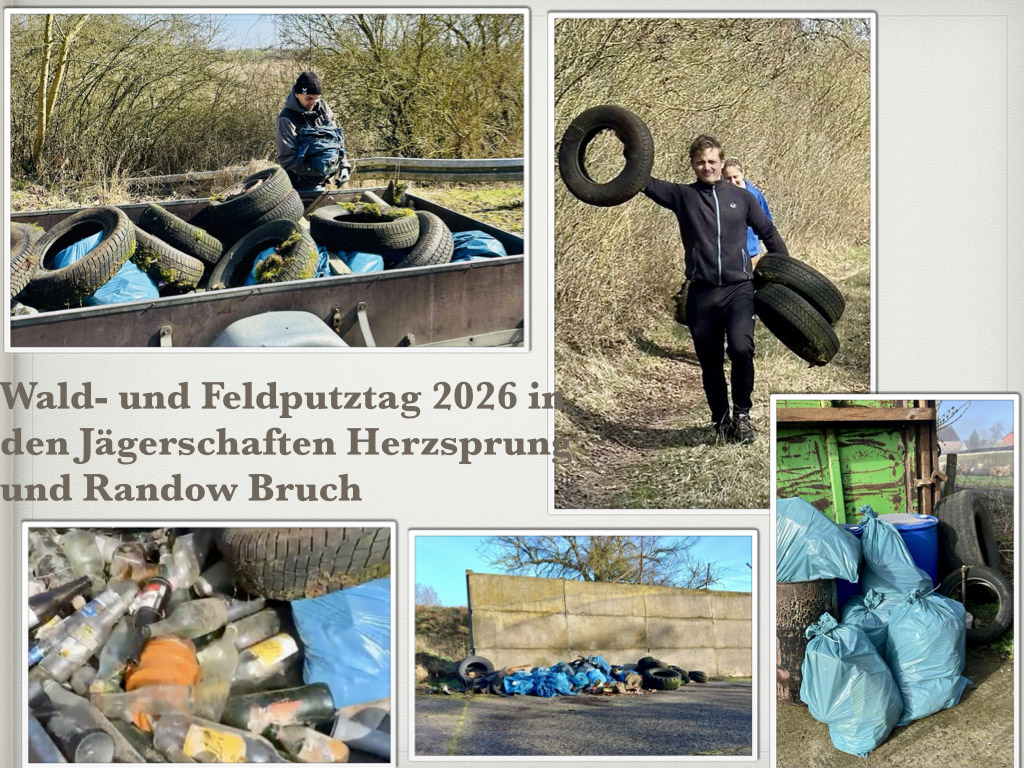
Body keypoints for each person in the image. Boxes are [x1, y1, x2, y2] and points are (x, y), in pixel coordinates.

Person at [642, 134, 789, 444]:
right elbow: (641, 180)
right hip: (701, 293)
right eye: (700, 162)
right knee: (710, 362)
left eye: (711, 161)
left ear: (722, 163)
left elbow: (769, 234)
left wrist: (786, 275)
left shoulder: (744, 198)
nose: (706, 166)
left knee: (741, 348)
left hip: (739, 289)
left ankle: (742, 415)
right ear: (693, 165)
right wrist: (629, 145)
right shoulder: (683, 196)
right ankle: (721, 421)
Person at [276, 71, 350, 191]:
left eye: (317, 98)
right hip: (299, 185)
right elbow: (287, 160)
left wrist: (344, 165)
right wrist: (317, 169)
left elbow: (337, 140)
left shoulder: (323, 109)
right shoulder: (286, 118)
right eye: (309, 98)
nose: (313, 102)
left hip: (322, 181)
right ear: (297, 94)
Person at [723, 158, 773, 266]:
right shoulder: (721, 197)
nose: (732, 181)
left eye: (735, 177)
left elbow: (767, 224)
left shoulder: (755, 195)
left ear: (742, 174)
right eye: (728, 178)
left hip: (751, 253)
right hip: (729, 255)